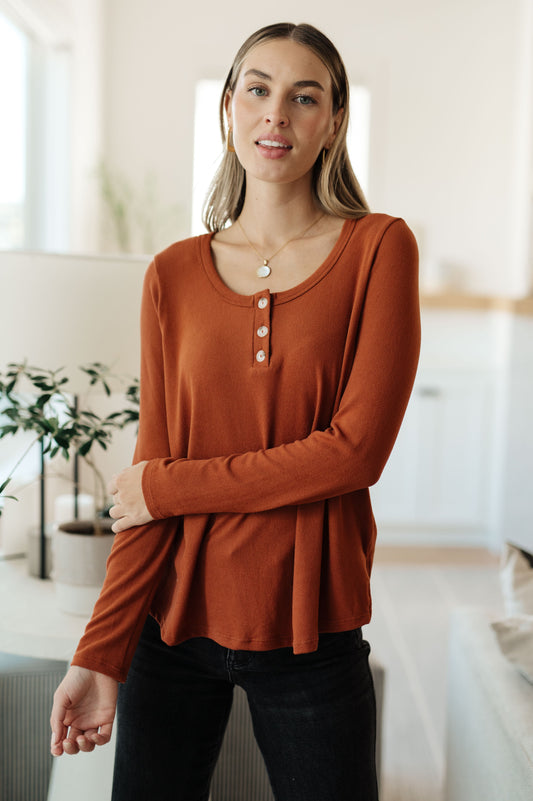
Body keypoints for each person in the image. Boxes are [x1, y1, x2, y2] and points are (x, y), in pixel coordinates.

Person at [50, 21, 420, 801]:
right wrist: (100, 653)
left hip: (312, 633)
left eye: (303, 96)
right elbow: (151, 470)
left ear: (333, 121)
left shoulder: (378, 249)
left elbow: (353, 453)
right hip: (170, 629)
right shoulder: (173, 273)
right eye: (256, 89)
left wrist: (170, 488)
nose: (275, 114)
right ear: (227, 108)